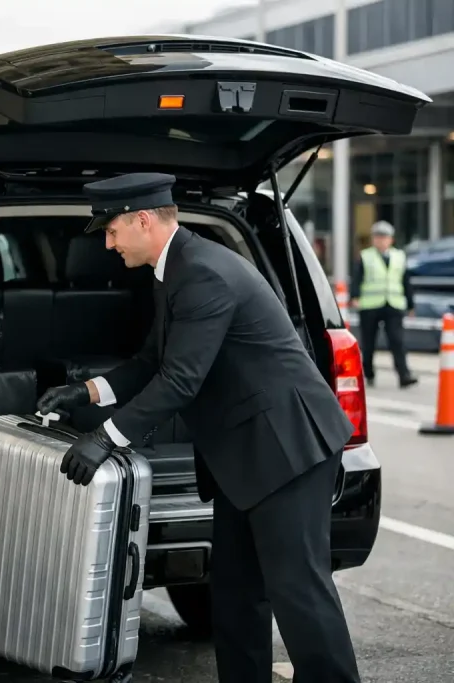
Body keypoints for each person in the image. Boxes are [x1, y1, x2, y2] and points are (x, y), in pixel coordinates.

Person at [37, 173, 361, 683]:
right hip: (246, 457)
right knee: (235, 593)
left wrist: (106, 438)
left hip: (287, 449)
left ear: (142, 220)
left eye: (111, 230)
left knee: (298, 591)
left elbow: (180, 381)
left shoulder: (203, 272)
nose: (107, 243)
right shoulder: (176, 268)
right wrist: (87, 391)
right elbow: (152, 359)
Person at [350, 220, 417, 388]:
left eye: (384, 237)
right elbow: (357, 279)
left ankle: (404, 375)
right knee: (369, 342)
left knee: (397, 340)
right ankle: (369, 373)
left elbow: (405, 281)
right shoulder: (366, 256)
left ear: (391, 239)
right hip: (370, 306)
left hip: (393, 304)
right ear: (373, 239)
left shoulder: (399, 256)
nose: (381, 240)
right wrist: (355, 296)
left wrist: (410, 304)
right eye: (378, 237)